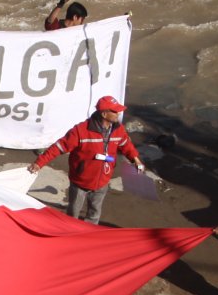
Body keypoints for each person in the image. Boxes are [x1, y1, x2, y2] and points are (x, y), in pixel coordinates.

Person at [27, 95, 144, 224]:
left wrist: (135, 159)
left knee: (94, 214)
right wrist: (39, 163)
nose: (118, 114)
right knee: (73, 214)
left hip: (103, 181)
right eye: (115, 111)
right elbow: (58, 147)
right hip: (80, 183)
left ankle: (88, 235)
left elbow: (126, 145)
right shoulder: (80, 131)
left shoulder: (118, 130)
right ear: (104, 114)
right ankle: (70, 233)